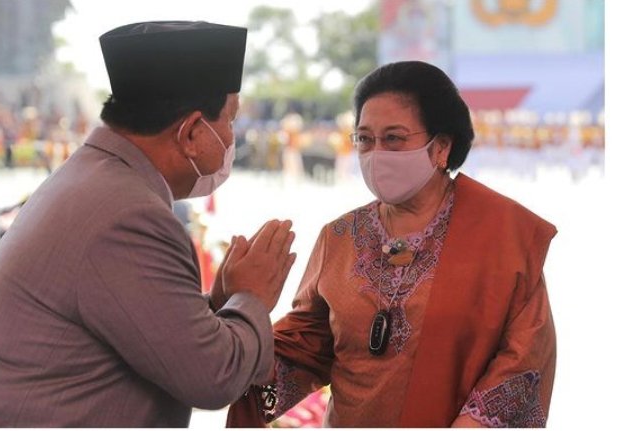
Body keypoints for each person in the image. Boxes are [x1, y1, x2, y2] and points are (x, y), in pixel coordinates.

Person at [0, 21, 297, 427]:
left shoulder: (98, 177)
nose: (231, 137)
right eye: (229, 120)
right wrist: (253, 297)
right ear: (191, 132)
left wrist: (220, 303)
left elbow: (149, 333)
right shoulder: (129, 215)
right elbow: (214, 376)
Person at [227, 61, 557, 428]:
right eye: (365, 139)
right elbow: (308, 348)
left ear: (441, 147)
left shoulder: (502, 233)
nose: (376, 153)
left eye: (394, 139)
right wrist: (238, 330)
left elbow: (525, 356)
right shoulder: (339, 236)